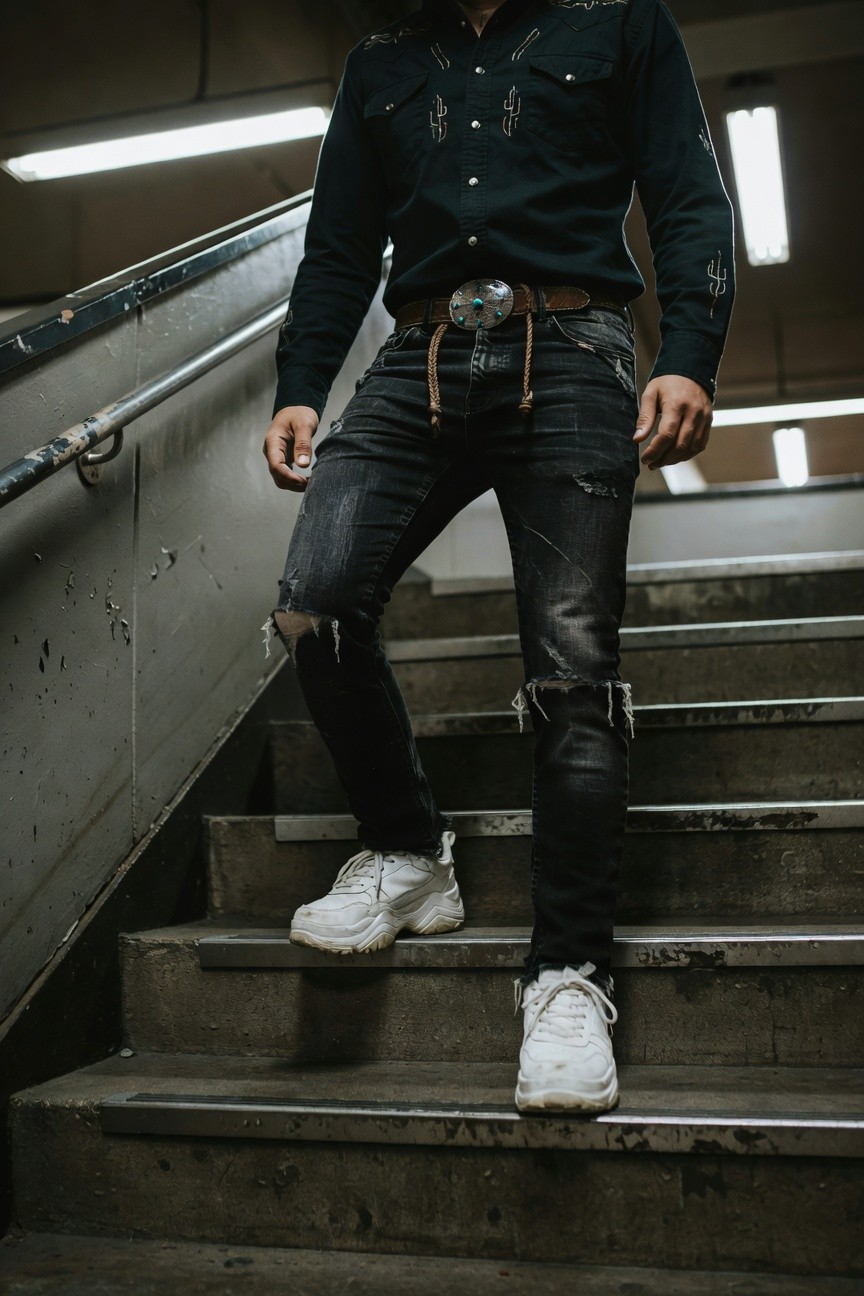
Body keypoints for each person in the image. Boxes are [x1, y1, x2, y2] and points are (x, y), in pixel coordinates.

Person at [262, 0, 735, 1113]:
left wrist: (695, 353)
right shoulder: (380, 60)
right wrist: (300, 382)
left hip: (574, 347)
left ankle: (567, 974)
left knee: (570, 666)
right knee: (316, 600)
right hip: (419, 356)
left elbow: (685, 191)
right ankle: (409, 849)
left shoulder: (619, 24)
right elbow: (338, 244)